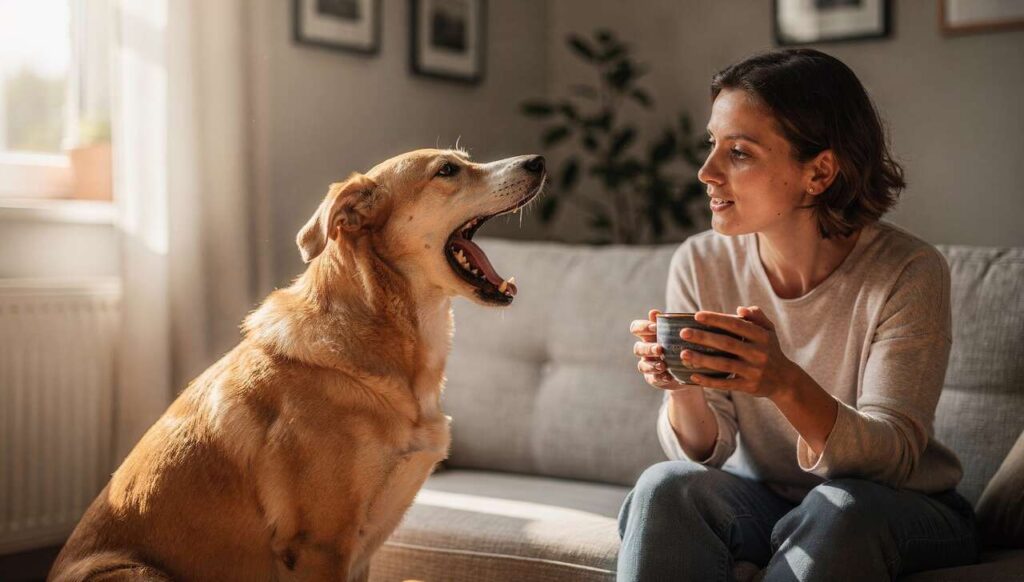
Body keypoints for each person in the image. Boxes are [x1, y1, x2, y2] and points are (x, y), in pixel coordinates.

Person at [618, 48, 978, 581]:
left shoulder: (908, 271)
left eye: (738, 152)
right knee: (665, 487)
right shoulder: (700, 260)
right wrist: (681, 384)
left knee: (841, 510)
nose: (706, 172)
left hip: (895, 506)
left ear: (820, 172)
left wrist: (784, 382)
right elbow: (704, 455)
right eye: (711, 145)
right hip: (764, 499)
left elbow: (893, 455)